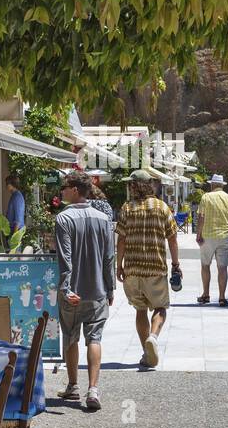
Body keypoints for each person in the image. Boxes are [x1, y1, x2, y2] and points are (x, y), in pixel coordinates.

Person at [54, 170, 115, 412]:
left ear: (75, 190)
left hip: (73, 292)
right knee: (95, 338)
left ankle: (73, 385)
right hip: (97, 290)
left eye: (65, 188)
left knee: (70, 336)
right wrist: (110, 287)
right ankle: (93, 389)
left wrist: (66, 287)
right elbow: (109, 257)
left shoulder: (63, 219)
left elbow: (65, 258)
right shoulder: (103, 219)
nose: (62, 192)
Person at [116, 170, 181, 369]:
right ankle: (153, 337)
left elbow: (121, 240)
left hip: (133, 269)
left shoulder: (127, 208)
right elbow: (172, 238)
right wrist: (176, 264)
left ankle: (146, 352)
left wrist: (119, 265)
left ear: (135, 186)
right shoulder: (162, 208)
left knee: (140, 309)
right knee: (160, 308)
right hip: (155, 267)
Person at [196, 173, 228, 306]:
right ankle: (221, 297)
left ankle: (206, 294)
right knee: (222, 268)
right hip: (225, 236)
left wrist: (198, 234)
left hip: (208, 236)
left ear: (212, 184)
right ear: (222, 185)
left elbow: (201, 217)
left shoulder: (206, 197)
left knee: (205, 265)